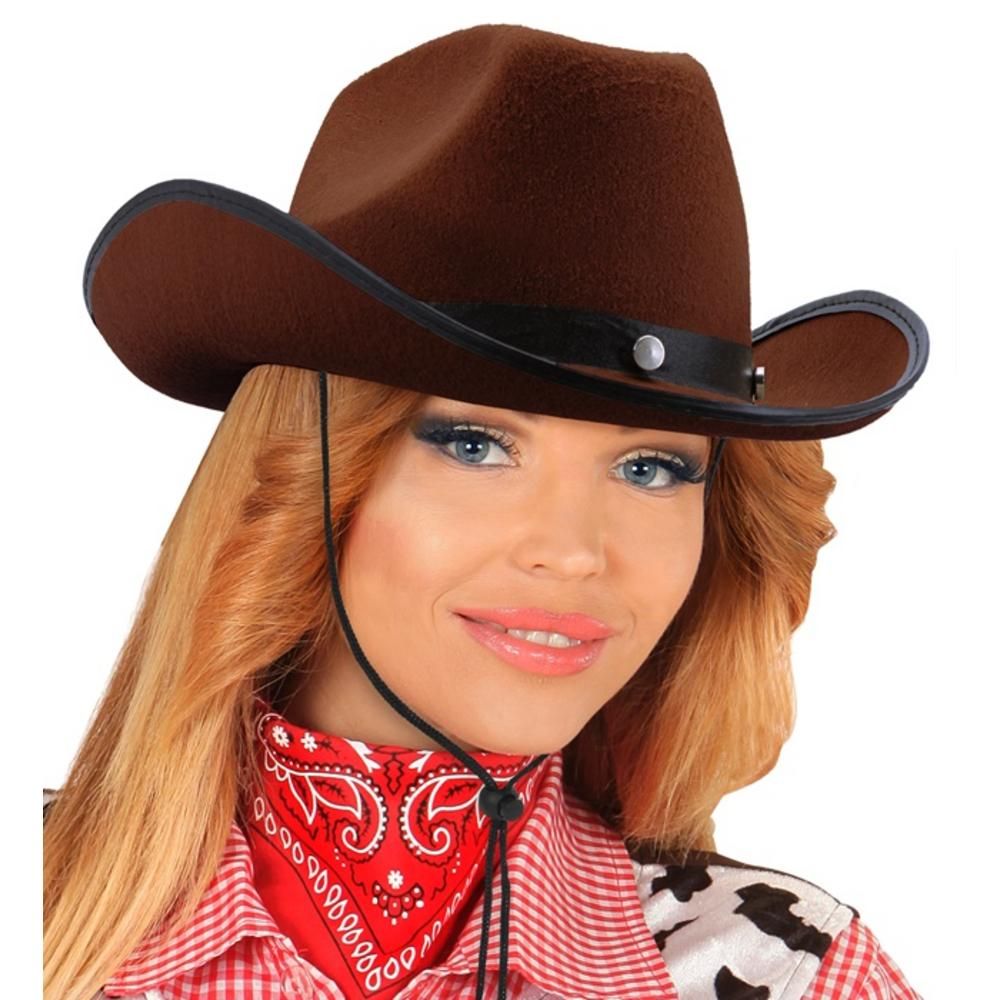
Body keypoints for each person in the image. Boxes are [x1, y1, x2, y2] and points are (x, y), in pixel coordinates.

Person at [42, 22, 928, 1000]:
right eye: (475, 444)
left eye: (650, 468)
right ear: (306, 476)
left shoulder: (789, 974)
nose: (573, 551)